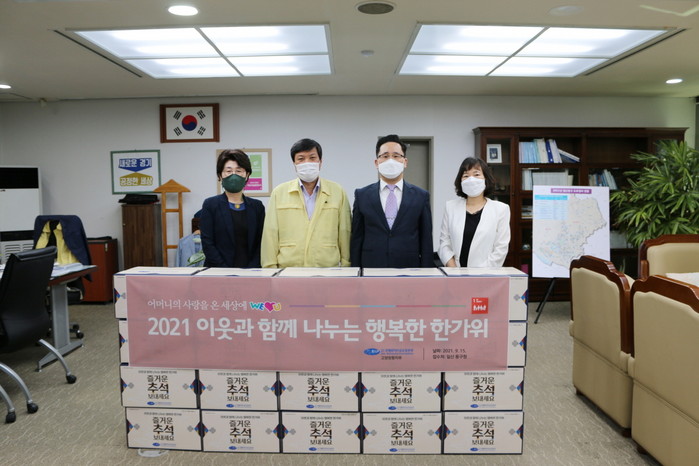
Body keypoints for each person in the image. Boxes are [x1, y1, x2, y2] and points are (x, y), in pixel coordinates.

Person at [261, 138, 351, 268]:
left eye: (312, 158)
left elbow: (345, 232)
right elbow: (270, 234)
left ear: (320, 162)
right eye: (301, 159)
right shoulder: (279, 193)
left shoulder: (337, 192)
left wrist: (346, 266)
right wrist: (269, 268)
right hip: (288, 270)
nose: (307, 163)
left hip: (327, 269)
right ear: (294, 163)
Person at [350, 134, 433, 267]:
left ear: (405, 162)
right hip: (372, 267)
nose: (390, 160)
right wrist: (355, 271)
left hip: (409, 269)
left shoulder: (421, 196)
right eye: (385, 156)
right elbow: (357, 238)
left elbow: (426, 240)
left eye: (396, 156)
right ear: (376, 163)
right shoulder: (362, 195)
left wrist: (427, 272)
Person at [438, 157, 510, 267]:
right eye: (466, 176)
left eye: (476, 174)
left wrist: (478, 273)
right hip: (455, 272)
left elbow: (501, 249)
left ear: (486, 179)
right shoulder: (450, 207)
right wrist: (453, 269)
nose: (471, 179)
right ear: (460, 181)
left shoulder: (501, 209)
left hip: (486, 274)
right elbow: (444, 243)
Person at [200, 149, 265, 267]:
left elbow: (261, 242)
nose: (233, 175)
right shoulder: (210, 205)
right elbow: (207, 243)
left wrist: (252, 269)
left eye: (239, 171)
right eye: (228, 171)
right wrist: (226, 271)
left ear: (247, 175)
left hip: (251, 271)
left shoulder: (257, 207)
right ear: (220, 175)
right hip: (217, 271)